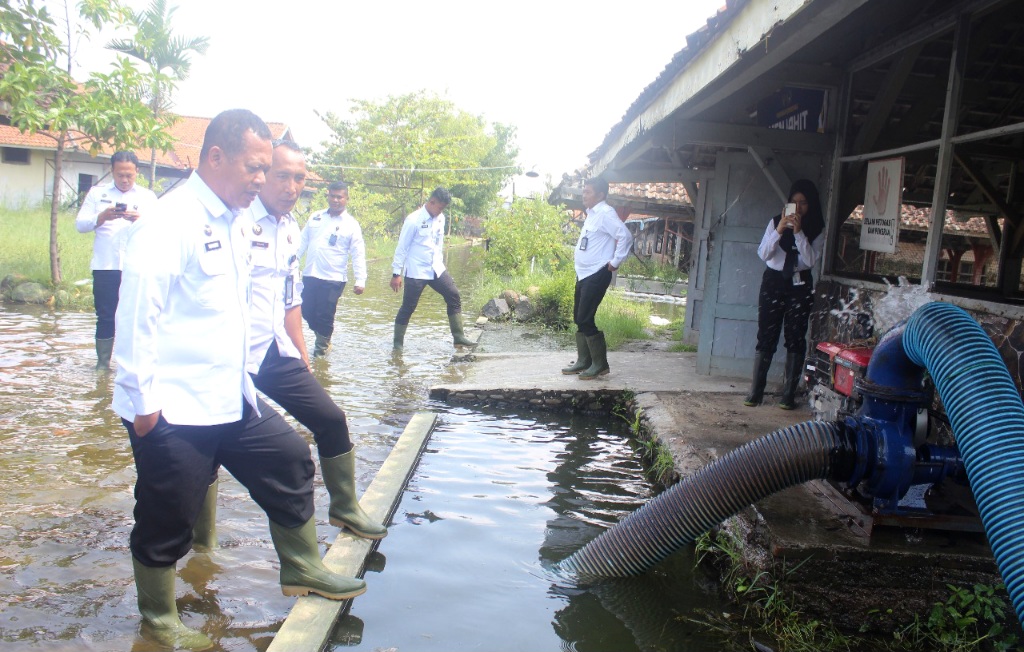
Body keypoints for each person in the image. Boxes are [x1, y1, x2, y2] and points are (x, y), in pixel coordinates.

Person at [113, 109, 365, 651]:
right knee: (167, 515)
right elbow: (136, 317)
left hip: (231, 393)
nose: (262, 178)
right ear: (216, 157)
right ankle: (158, 620)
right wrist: (143, 406)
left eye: (266, 168)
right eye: (254, 168)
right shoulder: (171, 219)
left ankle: (301, 568)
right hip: (174, 406)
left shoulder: (240, 221)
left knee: (290, 461)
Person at [241, 140, 386, 540]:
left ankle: (344, 507)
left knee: (332, 420)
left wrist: (301, 354)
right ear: (261, 174)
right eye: (282, 176)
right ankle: (204, 542)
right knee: (208, 448)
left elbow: (290, 298)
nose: (291, 186)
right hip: (231, 355)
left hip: (274, 349)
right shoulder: (237, 222)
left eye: (299, 178)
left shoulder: (288, 228)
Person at [744, 178, 825, 409]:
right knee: (766, 334)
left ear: (812, 205)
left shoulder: (817, 227)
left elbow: (809, 261)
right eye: (794, 202)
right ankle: (755, 392)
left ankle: (788, 395)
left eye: (804, 203)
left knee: (796, 336)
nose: (798, 209)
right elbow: (764, 254)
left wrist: (799, 233)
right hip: (773, 281)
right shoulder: (774, 222)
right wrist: (780, 229)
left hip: (800, 285)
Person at [75, 151, 157, 370]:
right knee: (105, 316)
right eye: (120, 175)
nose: (125, 179)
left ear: (137, 172)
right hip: (106, 266)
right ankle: (102, 365)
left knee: (136, 317)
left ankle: (131, 366)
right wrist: (101, 217)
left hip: (137, 267)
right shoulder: (96, 193)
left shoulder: (148, 197)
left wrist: (140, 220)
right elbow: (80, 225)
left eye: (129, 175)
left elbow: (160, 231)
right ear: (112, 171)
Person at [561, 177, 633, 380]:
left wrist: (616, 261)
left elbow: (625, 236)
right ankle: (584, 361)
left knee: (585, 318)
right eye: (583, 191)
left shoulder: (605, 213)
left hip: (597, 273)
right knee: (578, 317)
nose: (584, 195)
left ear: (600, 195)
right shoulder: (591, 214)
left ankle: (600, 364)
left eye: (588, 192)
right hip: (584, 273)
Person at [389, 187, 474, 350]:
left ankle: (458, 336)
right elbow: (401, 248)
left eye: (443, 209)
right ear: (431, 201)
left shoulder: (440, 218)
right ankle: (397, 345)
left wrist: (442, 266)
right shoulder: (413, 220)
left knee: (453, 295)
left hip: (436, 269)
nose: (441, 211)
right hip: (416, 271)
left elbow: (438, 244)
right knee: (408, 307)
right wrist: (396, 274)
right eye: (440, 207)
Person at [297, 181, 366, 358]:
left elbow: (358, 253)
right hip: (311, 273)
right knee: (305, 309)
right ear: (327, 196)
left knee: (325, 314)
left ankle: (320, 352)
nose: (335, 200)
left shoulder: (351, 224)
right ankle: (324, 338)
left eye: (339, 197)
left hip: (334, 277)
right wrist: (291, 261)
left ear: (346, 199)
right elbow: (302, 241)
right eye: (332, 196)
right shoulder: (316, 217)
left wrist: (360, 280)